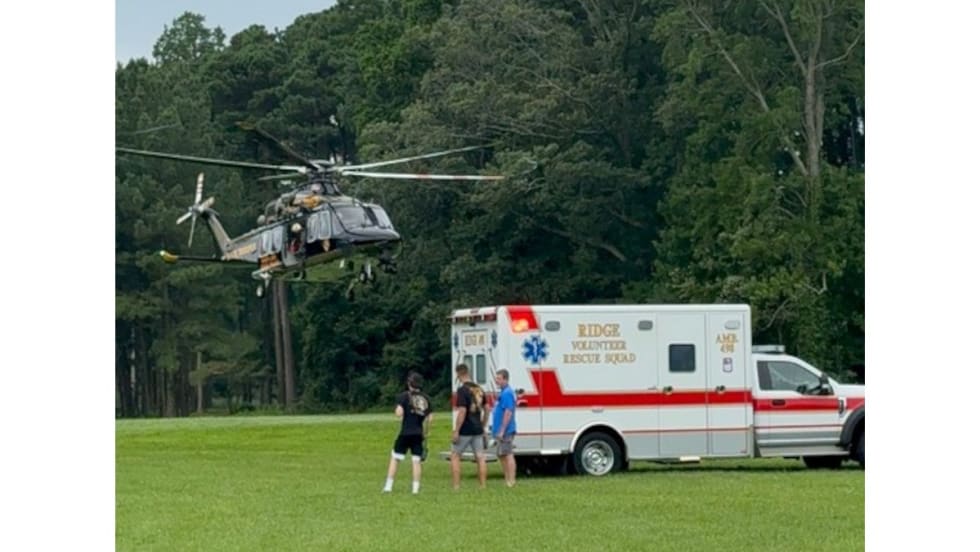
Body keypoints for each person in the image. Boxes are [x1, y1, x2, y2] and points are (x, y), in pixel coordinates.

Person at [382, 371, 433, 494]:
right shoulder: (426, 398)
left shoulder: (404, 396)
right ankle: (415, 489)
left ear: (409, 383)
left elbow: (398, 413)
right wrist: (426, 432)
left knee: (395, 458)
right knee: (416, 460)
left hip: (405, 432)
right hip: (418, 433)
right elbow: (430, 418)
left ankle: (388, 487)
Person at [450, 363, 489, 490]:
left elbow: (462, 411)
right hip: (477, 428)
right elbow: (487, 409)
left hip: (465, 429)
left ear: (459, 374)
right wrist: (483, 424)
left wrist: (456, 430)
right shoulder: (480, 389)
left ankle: (456, 486)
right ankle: (482, 485)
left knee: (455, 456)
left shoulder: (462, 391)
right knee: (480, 457)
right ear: (468, 372)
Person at [491, 368, 517, 487]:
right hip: (499, 430)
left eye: (499, 379)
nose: (497, 381)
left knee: (507, 453)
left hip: (506, 430)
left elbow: (508, 412)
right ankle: (506, 478)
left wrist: (502, 430)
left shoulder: (507, 393)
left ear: (505, 379)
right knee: (501, 454)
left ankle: (511, 480)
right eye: (496, 378)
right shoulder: (502, 393)